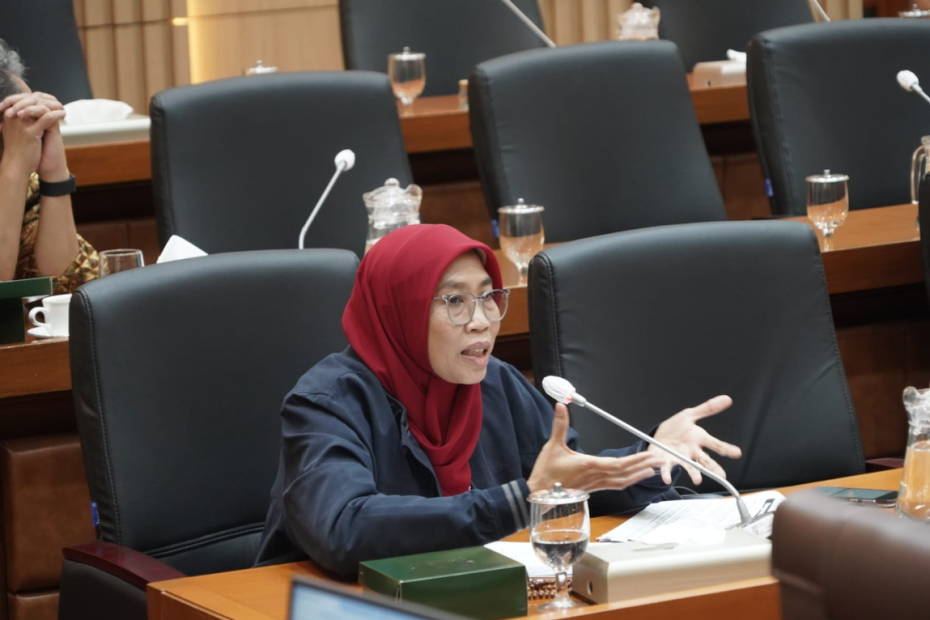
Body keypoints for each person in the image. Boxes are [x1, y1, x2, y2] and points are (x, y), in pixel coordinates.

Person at [255, 224, 741, 577]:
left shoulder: (496, 383)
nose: (482, 321)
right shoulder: (326, 402)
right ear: (398, 311)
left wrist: (653, 456)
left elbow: (566, 477)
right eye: (454, 301)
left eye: (489, 297)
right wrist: (516, 500)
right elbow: (343, 530)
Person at [0, 38, 97, 293]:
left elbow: (69, 286)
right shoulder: (14, 173)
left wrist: (54, 173)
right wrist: (14, 166)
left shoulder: (28, 187)